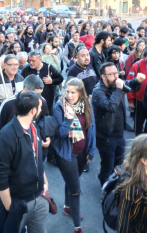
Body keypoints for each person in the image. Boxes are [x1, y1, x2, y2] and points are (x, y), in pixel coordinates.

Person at [0, 91, 49, 233]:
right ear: (33, 111)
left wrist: (45, 182)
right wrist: (10, 207)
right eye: (40, 107)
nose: (41, 110)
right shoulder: (5, 137)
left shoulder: (34, 128)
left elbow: (37, 157)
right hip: (19, 203)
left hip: (39, 198)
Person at [52, 78, 96, 233]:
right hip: (67, 153)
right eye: (67, 91)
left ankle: (67, 207)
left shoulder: (87, 105)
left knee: (71, 182)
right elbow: (62, 133)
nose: (69, 95)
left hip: (83, 152)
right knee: (75, 189)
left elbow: (91, 128)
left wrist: (91, 150)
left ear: (80, 93)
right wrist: (68, 119)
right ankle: (77, 226)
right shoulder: (59, 107)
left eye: (72, 92)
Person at [92, 62, 146, 186]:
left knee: (119, 163)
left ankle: (114, 183)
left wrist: (137, 81)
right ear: (103, 76)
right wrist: (118, 89)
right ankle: (105, 188)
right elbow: (110, 106)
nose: (116, 76)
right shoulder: (98, 91)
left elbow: (129, 85)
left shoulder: (116, 85)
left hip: (119, 133)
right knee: (108, 165)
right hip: (105, 136)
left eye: (116, 73)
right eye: (112, 74)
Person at [21, 51, 64, 115]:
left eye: (33, 61)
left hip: (47, 103)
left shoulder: (49, 68)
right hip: (30, 103)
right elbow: (21, 81)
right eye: (29, 60)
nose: (31, 63)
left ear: (40, 59)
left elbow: (60, 78)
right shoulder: (26, 69)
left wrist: (52, 81)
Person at [126, 49, 147, 135]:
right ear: (144, 56)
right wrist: (130, 101)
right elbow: (129, 84)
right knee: (138, 124)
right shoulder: (136, 66)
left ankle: (146, 140)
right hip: (139, 100)